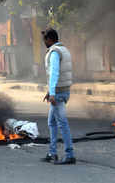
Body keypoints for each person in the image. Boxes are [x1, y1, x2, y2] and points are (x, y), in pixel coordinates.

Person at [40, 28, 76, 165]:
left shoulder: (54, 52)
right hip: (62, 90)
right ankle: (52, 153)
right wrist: (50, 91)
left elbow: (54, 72)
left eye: (45, 40)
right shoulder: (64, 50)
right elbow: (60, 73)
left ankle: (69, 155)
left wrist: (53, 93)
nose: (44, 42)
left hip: (59, 93)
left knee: (62, 123)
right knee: (52, 122)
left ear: (50, 39)